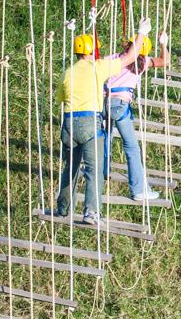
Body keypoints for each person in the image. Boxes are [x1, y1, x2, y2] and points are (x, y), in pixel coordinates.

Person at [56, 18, 151, 225]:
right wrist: (141, 33)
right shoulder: (98, 68)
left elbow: (61, 99)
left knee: (69, 167)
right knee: (94, 169)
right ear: (93, 51)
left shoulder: (68, 72)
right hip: (90, 121)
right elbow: (131, 57)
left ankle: (63, 208)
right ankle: (91, 212)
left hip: (69, 123)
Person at [104, 30, 170, 201]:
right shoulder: (141, 63)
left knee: (105, 139)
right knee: (131, 147)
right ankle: (139, 189)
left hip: (103, 103)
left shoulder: (113, 58)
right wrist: (163, 43)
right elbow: (165, 61)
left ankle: (102, 170)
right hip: (120, 105)